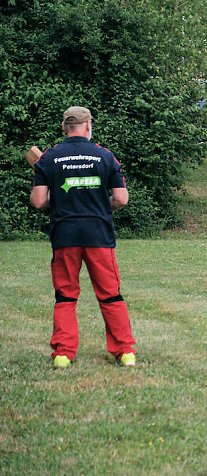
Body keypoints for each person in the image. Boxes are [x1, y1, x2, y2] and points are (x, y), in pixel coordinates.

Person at [30, 106, 137, 368]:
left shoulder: (50, 158)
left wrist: (60, 199)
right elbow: (121, 199)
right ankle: (125, 352)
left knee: (65, 296)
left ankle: (64, 354)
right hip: (98, 234)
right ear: (88, 126)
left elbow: (38, 201)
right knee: (110, 294)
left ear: (64, 127)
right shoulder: (104, 156)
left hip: (65, 234)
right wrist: (103, 206)